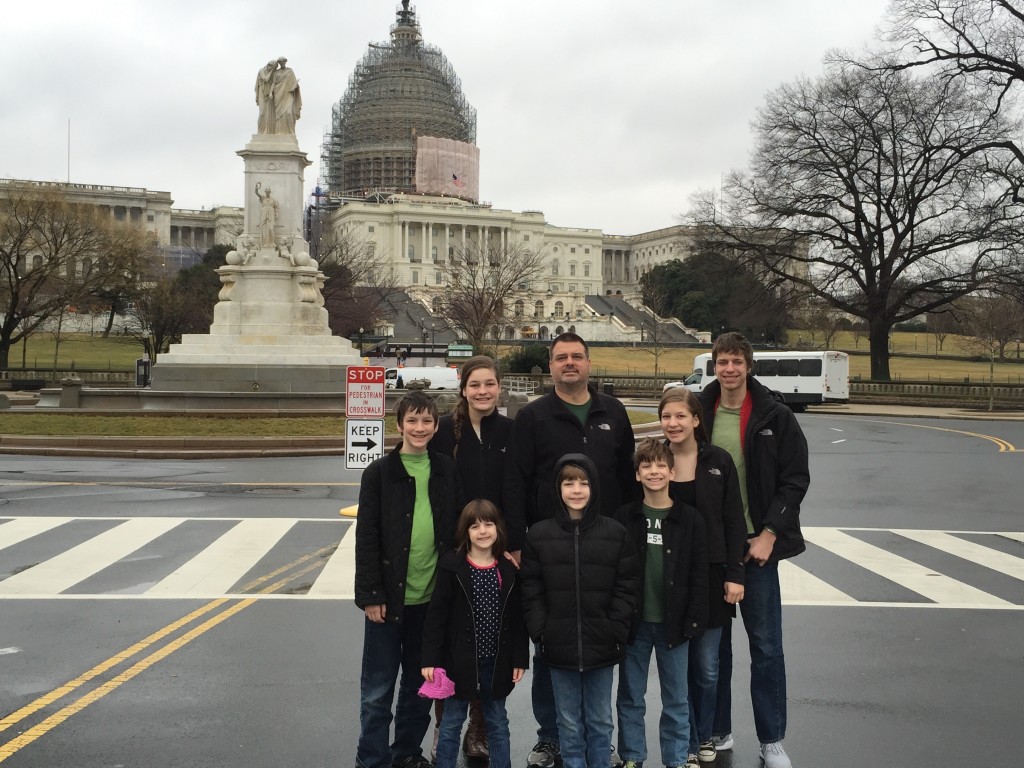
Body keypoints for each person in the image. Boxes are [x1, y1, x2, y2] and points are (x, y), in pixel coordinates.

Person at [510, 332, 639, 768]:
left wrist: (621, 537)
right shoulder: (533, 416)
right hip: (550, 549)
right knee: (551, 648)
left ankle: (601, 744)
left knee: (600, 646)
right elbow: (518, 481)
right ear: (550, 366)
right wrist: (517, 541)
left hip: (605, 546)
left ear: (588, 362)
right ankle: (552, 738)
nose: (570, 363)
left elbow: (626, 479)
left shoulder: (613, 412)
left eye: (577, 357)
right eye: (561, 357)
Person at [697, 333, 810, 768]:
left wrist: (768, 534)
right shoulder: (699, 412)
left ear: (749, 366)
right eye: (722, 361)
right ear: (714, 365)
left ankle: (772, 739)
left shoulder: (774, 416)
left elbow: (795, 479)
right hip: (711, 550)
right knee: (714, 650)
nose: (729, 369)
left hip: (756, 549)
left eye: (736, 362)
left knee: (765, 647)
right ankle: (719, 730)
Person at [354, 390, 460, 768]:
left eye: (427, 421)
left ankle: (406, 754)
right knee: (378, 690)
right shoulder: (380, 474)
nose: (419, 428)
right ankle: (372, 758)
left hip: (430, 602)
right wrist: (370, 594)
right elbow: (366, 537)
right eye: (412, 421)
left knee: (420, 688)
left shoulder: (446, 469)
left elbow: (453, 532)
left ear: (435, 426)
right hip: (387, 601)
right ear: (398, 425)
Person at [429, 355, 525, 760]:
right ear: (463, 389)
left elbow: (517, 487)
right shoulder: (445, 435)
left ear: (498, 387)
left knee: (492, 641)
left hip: (497, 546)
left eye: (489, 384)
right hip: (456, 548)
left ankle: (480, 728)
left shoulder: (511, 430)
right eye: (475, 385)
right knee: (455, 639)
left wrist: (514, 545)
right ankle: (444, 726)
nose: (482, 391)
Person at [520, 454, 639, 768]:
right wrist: (541, 630)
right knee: (568, 722)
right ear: (558, 489)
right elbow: (531, 588)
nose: (576, 490)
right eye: (568, 482)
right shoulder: (540, 535)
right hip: (558, 645)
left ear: (594, 487)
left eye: (583, 482)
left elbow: (626, 586)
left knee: (600, 722)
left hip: (603, 643)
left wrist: (615, 628)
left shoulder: (615, 533)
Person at [658, 388, 745, 766]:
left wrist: (734, 574)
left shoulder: (718, 462)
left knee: (707, 668)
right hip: (668, 578)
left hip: (711, 577)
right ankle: (688, 743)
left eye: (681, 416)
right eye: (666, 417)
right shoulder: (654, 460)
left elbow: (733, 521)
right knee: (678, 670)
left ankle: (706, 732)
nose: (673, 423)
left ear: (696, 420)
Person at [614, 438, 708, 768]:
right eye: (646, 465)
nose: (653, 471)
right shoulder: (625, 517)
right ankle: (632, 757)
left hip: (675, 626)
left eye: (659, 465)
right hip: (635, 626)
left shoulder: (691, 519)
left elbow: (699, 575)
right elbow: (617, 574)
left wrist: (694, 620)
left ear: (672, 471)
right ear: (637, 474)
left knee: (676, 699)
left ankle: (677, 758)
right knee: (629, 696)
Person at [421, 499, 529, 768]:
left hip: (497, 661)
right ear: (465, 531)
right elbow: (436, 617)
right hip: (458, 660)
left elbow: (517, 619)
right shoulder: (452, 567)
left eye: (489, 524)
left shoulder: (507, 570)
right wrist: (430, 659)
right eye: (475, 526)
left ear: (498, 529)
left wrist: (519, 658)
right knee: (451, 722)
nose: (483, 531)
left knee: (497, 722)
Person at [255, 183, 278, 248]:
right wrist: (256, 188)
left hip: (271, 214)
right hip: (264, 214)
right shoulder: (262, 198)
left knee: (271, 228)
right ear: (265, 192)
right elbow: (256, 193)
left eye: (268, 192)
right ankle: (264, 243)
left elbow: (276, 207)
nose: (267, 193)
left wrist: (276, 214)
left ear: (270, 192)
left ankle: (272, 242)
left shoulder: (273, 200)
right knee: (264, 229)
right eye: (266, 192)